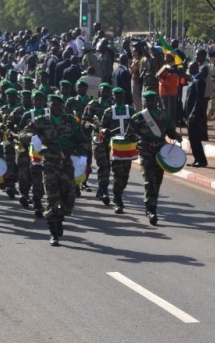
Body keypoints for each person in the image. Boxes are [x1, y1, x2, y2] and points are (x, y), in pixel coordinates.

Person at [19, 94, 89, 246]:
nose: (56, 108)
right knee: (52, 197)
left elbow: (82, 139)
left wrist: (83, 156)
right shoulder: (41, 121)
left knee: (69, 198)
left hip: (67, 165)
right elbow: (22, 134)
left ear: (63, 107)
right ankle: (53, 230)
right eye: (53, 105)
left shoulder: (70, 120)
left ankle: (61, 216)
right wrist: (33, 137)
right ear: (48, 106)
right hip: (49, 164)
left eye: (59, 106)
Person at [124, 90, 183, 225]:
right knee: (149, 180)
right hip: (146, 152)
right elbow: (129, 135)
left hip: (161, 152)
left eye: (152, 100)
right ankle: (151, 209)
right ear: (144, 102)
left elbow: (170, 132)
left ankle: (152, 202)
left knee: (157, 181)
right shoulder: (138, 117)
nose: (149, 103)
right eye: (147, 101)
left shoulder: (164, 115)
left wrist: (176, 136)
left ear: (156, 101)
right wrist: (139, 138)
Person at [99, 88, 135, 213]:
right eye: (117, 96)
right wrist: (104, 131)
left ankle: (120, 190)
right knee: (117, 173)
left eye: (121, 96)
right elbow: (101, 127)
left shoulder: (130, 110)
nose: (119, 98)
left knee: (125, 174)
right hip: (115, 147)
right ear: (113, 98)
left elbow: (137, 124)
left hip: (128, 147)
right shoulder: (108, 112)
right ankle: (118, 200)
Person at [182, 61, 208, 168]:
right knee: (192, 138)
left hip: (195, 116)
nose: (189, 69)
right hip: (189, 114)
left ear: (195, 68)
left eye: (190, 67)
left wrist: (193, 113)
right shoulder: (194, 79)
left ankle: (201, 159)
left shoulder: (199, 80)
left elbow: (198, 99)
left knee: (195, 138)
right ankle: (196, 158)